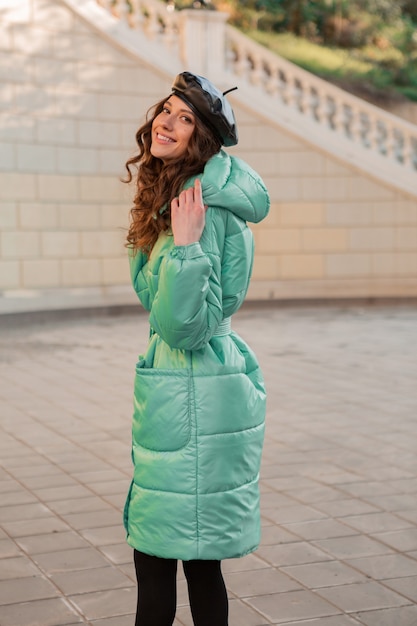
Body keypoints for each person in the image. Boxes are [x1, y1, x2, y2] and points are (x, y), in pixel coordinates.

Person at [122, 71, 270, 626]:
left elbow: (187, 328)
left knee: (163, 559)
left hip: (192, 392)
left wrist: (185, 250)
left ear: (201, 139)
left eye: (186, 118)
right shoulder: (177, 190)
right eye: (167, 109)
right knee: (191, 561)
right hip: (188, 393)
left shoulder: (196, 204)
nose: (168, 122)